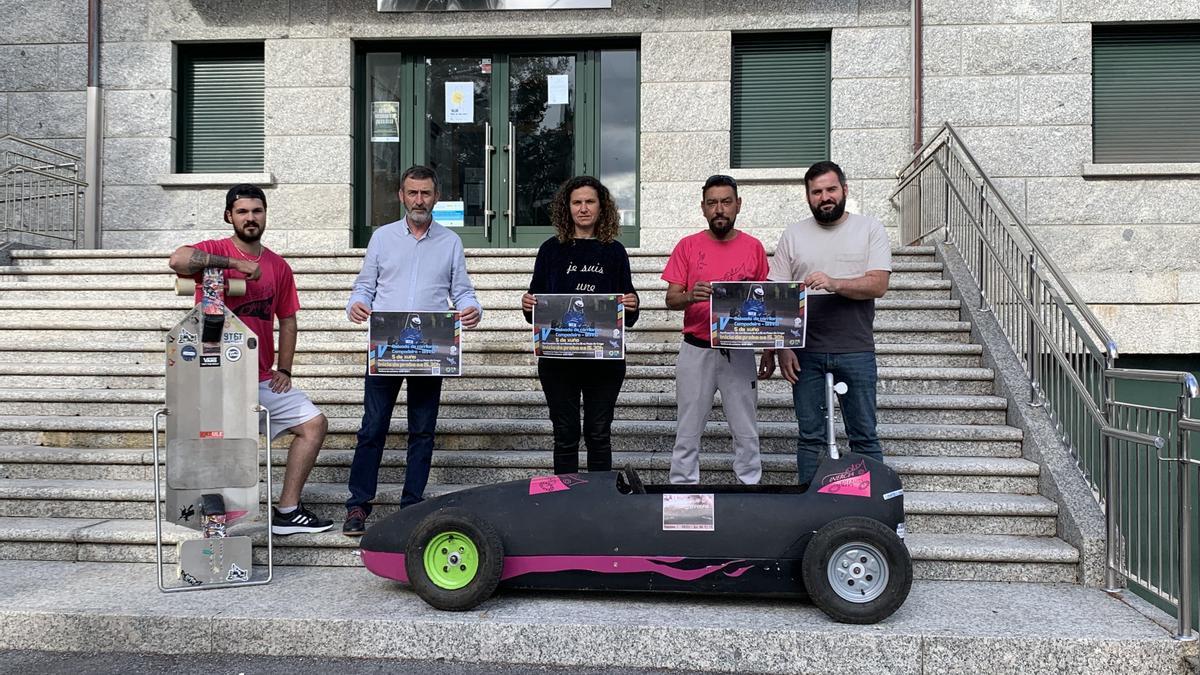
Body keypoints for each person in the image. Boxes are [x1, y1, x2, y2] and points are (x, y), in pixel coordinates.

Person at [167, 184, 333, 535]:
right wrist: (234, 264)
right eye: (242, 212)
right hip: (213, 377)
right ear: (229, 216)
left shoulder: (278, 266)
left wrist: (285, 368)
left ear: (265, 215)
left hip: (259, 378)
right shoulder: (213, 251)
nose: (250, 218)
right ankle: (216, 524)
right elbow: (177, 260)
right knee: (220, 446)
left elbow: (287, 319)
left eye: (257, 211)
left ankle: (287, 511)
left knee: (314, 424)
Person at [343, 165, 482, 536]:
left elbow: (462, 290)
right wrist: (355, 303)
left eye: (425, 193)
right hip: (385, 346)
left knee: (423, 430)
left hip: (431, 349)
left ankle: (412, 505)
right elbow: (365, 286)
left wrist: (473, 308)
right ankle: (358, 506)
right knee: (372, 428)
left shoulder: (450, 242)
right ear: (401, 195)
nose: (419, 200)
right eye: (412, 193)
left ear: (436, 196)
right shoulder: (382, 238)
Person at [759, 161, 892, 485]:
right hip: (806, 352)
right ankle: (810, 509)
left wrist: (835, 282)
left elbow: (878, 284)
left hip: (855, 349)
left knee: (863, 435)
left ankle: (867, 510)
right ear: (808, 197)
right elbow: (777, 295)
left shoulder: (869, 229)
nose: (825, 197)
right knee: (810, 437)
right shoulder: (794, 234)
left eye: (831, 189)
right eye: (816, 192)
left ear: (844, 190)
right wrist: (780, 348)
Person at [522, 175, 639, 475]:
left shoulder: (614, 251)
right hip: (559, 360)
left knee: (599, 434)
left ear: (602, 207)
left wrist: (632, 304)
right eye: (577, 202)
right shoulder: (550, 250)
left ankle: (599, 504)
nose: (583, 208)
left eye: (590, 201)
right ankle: (566, 502)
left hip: (605, 361)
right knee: (565, 435)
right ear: (567, 207)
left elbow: (627, 309)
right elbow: (536, 304)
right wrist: (528, 305)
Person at [662, 174, 770, 485]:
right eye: (712, 203)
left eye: (725, 202)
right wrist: (689, 295)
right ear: (703, 208)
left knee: (746, 429)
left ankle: (750, 486)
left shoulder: (753, 247)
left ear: (738, 205)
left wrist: (771, 347)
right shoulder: (687, 246)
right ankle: (682, 489)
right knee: (688, 428)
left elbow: (766, 306)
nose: (719, 209)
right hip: (697, 348)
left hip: (739, 350)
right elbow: (671, 298)